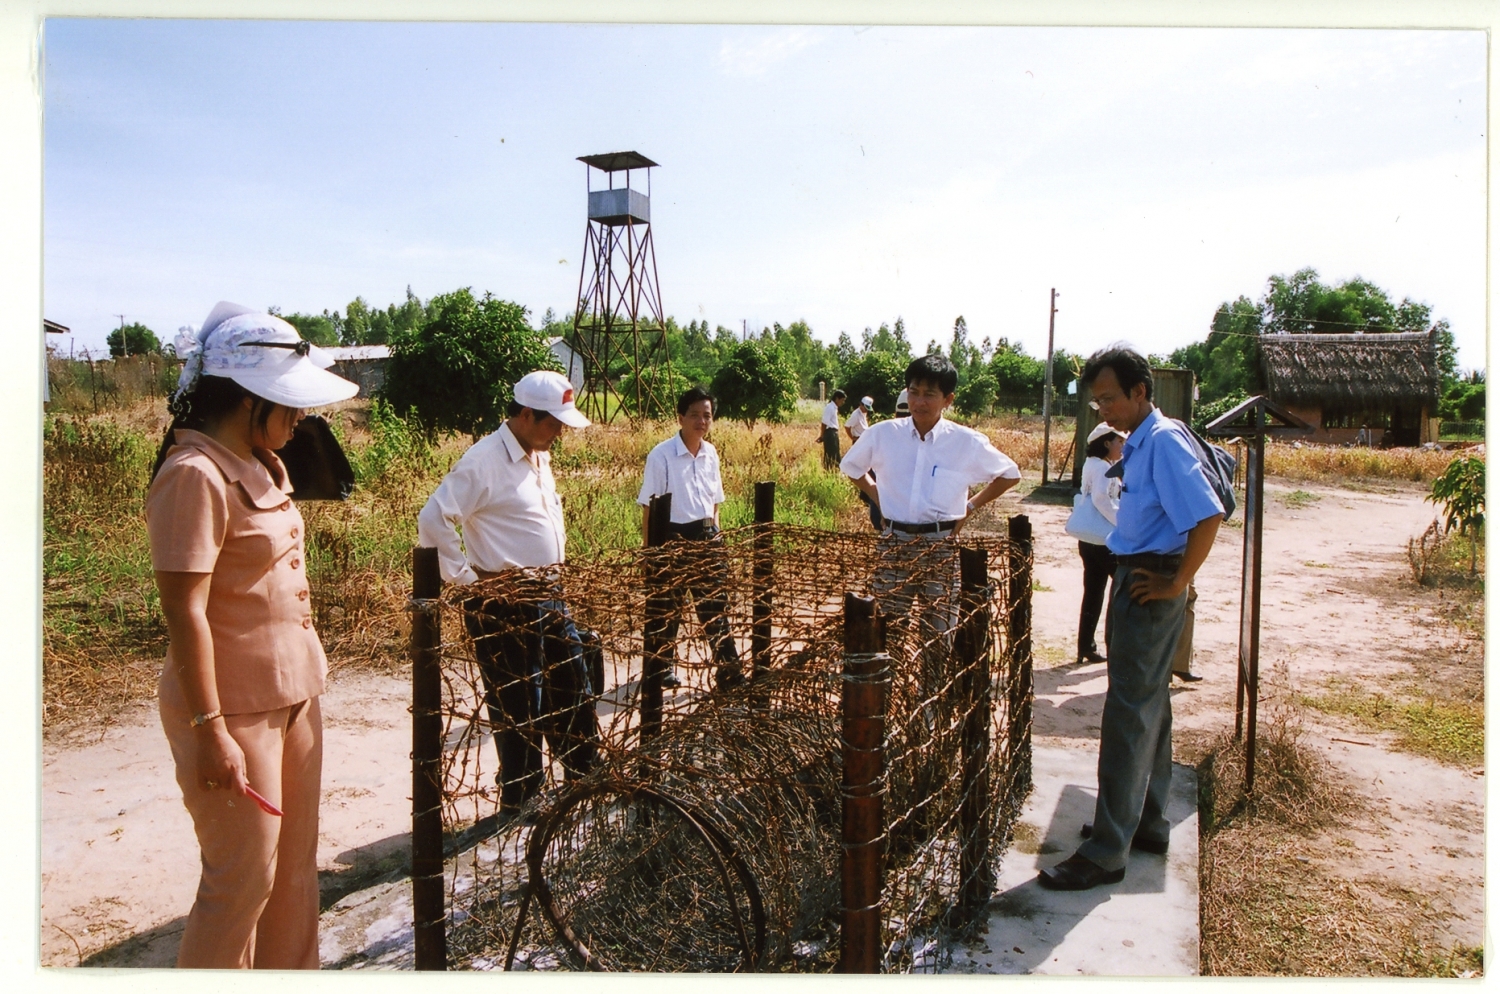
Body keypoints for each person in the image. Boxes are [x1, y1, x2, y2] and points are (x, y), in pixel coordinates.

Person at [147, 301, 359, 968]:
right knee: (241, 882)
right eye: (287, 404)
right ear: (246, 400)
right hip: (232, 709)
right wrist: (209, 729)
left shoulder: (263, 464)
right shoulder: (193, 475)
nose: (300, 419)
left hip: (293, 690)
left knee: (295, 874)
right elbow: (185, 610)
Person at [1039, 346, 1223, 891]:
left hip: (1151, 580)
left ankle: (1106, 851)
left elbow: (1207, 513)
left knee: (1126, 713)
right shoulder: (1144, 441)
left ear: (1141, 392)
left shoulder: (1161, 442)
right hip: (1138, 574)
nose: (1102, 410)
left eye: (1110, 398)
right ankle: (1145, 821)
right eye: (1096, 401)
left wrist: (1176, 581)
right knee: (1149, 706)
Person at [417, 370, 598, 814]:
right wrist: (469, 582)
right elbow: (432, 519)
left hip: (549, 594)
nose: (558, 433)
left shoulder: (538, 455)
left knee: (571, 683)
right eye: (553, 423)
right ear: (524, 415)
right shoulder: (484, 461)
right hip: (504, 604)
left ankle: (583, 779)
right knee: (518, 704)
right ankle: (521, 797)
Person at [840, 355, 1020, 673]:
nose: (919, 402)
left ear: (948, 399)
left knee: (938, 636)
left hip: (940, 546)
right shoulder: (884, 434)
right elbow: (851, 466)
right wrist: (878, 496)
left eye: (929, 394)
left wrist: (969, 507)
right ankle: (889, 711)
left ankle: (929, 717)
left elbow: (1010, 474)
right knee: (886, 633)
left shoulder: (965, 442)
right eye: (913, 391)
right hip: (894, 543)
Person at [637, 386, 743, 691]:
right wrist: (649, 553)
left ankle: (729, 669)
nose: (701, 421)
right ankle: (659, 668)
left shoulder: (711, 454)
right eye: (694, 414)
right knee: (666, 609)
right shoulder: (662, 455)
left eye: (707, 415)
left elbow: (715, 502)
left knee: (714, 609)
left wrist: (717, 537)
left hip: (706, 536)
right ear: (680, 417)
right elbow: (648, 506)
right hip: (671, 535)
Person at [1076, 421, 1126, 665]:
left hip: (1088, 539)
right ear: (1107, 443)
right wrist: (1121, 523)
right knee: (1119, 590)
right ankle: (1113, 644)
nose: (1122, 447)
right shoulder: (1103, 468)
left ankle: (1086, 645)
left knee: (1093, 592)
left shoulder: (1095, 464)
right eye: (1119, 442)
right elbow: (1101, 499)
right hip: (1104, 540)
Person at [844, 396, 882, 530]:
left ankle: (866, 496)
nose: (865, 409)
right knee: (862, 470)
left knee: (868, 470)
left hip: (865, 442)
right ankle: (865, 495)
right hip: (859, 441)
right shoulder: (855, 414)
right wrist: (853, 438)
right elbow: (847, 426)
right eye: (864, 407)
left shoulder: (863, 414)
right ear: (860, 404)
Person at [819, 388, 848, 469]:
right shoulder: (830, 407)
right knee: (831, 454)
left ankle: (834, 471)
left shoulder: (834, 408)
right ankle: (829, 470)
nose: (842, 402)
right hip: (830, 433)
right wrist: (822, 435)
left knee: (835, 453)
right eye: (842, 400)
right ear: (837, 398)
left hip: (833, 433)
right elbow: (824, 423)